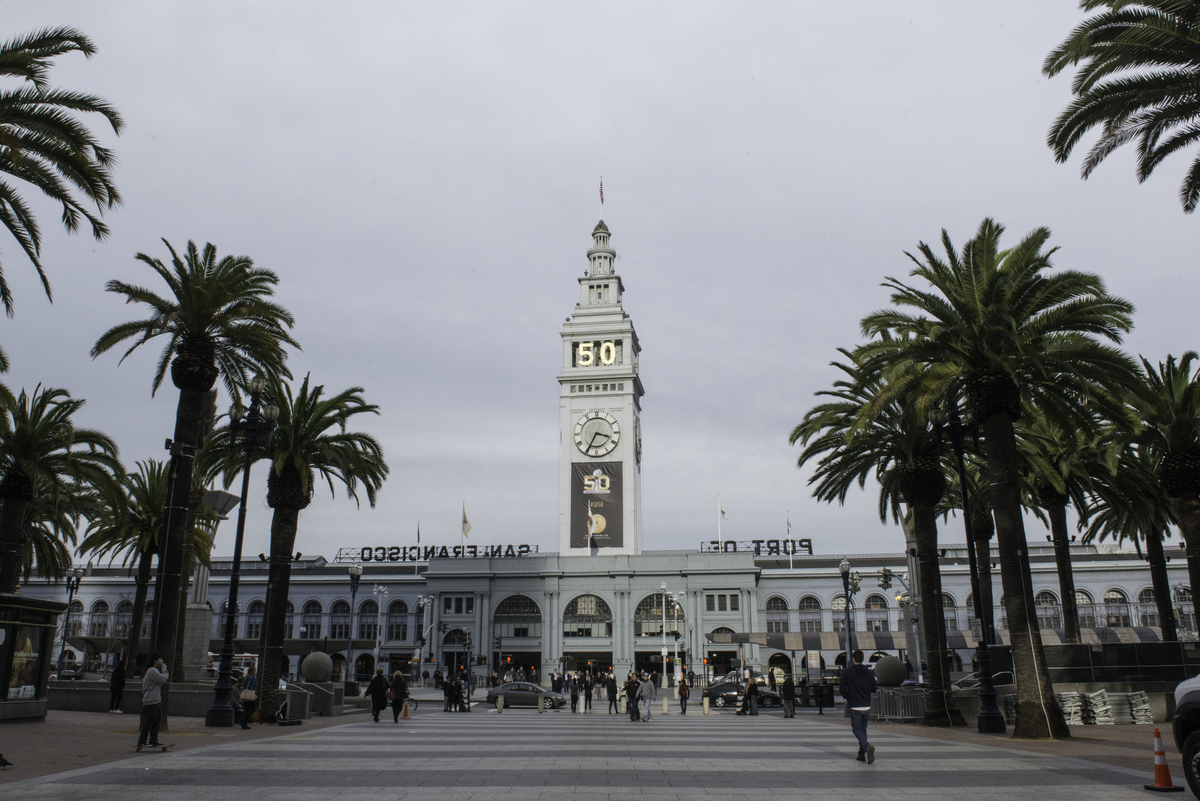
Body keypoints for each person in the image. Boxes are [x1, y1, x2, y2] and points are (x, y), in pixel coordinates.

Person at [840, 649, 878, 764]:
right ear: (862, 659)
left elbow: (842, 689)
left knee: (856, 729)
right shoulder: (868, 672)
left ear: (853, 659)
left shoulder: (847, 672)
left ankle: (866, 747)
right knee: (863, 730)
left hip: (855, 705)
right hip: (866, 704)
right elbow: (874, 688)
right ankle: (861, 754)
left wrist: (848, 697)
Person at [136, 652, 168, 750]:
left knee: (157, 721)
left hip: (156, 700)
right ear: (155, 661)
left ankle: (153, 740)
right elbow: (162, 679)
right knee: (149, 721)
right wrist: (164, 669)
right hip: (151, 701)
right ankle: (142, 741)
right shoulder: (152, 671)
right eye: (160, 660)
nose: (161, 661)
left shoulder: (153, 671)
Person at [239, 664, 258, 729]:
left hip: (245, 695)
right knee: (252, 709)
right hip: (249, 695)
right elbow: (253, 686)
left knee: (246, 709)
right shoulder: (252, 677)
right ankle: (242, 720)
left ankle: (244, 723)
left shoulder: (247, 677)